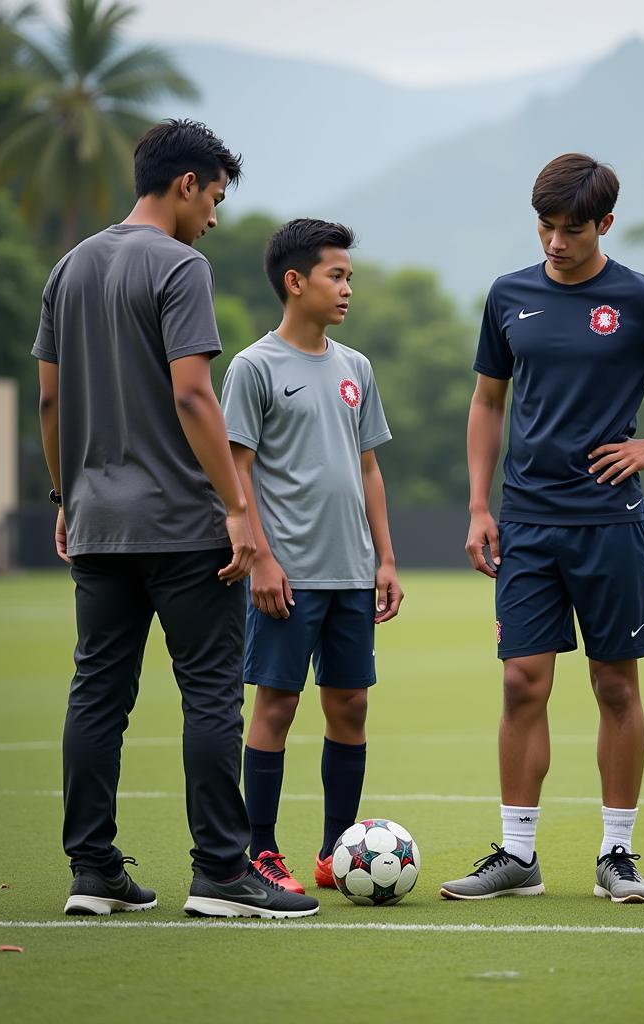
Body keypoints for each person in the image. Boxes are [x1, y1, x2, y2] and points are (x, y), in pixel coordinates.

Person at [34, 119, 318, 919]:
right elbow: (195, 393)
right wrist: (239, 509)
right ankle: (223, 872)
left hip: (97, 523)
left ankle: (92, 871)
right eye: (216, 196)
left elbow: (51, 399)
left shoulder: (70, 266)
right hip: (186, 527)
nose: (217, 218)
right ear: (187, 183)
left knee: (97, 692)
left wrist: (65, 499)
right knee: (209, 696)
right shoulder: (181, 265)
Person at [440, 153, 644, 903]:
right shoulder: (508, 295)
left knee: (614, 685)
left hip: (610, 521)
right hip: (528, 522)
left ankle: (617, 855)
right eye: (545, 227)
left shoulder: (640, 298)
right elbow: (486, 403)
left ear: (605, 224)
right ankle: (516, 855)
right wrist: (480, 506)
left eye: (571, 229)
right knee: (521, 683)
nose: (555, 242)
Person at [221, 218, 403, 895]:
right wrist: (261, 559)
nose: (347, 287)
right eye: (336, 275)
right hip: (286, 575)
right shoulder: (253, 366)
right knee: (277, 705)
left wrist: (385, 559)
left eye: (349, 276)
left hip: (352, 573)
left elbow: (369, 470)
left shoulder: (356, 367)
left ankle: (337, 852)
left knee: (349, 706)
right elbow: (236, 471)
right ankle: (260, 851)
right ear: (295, 283)